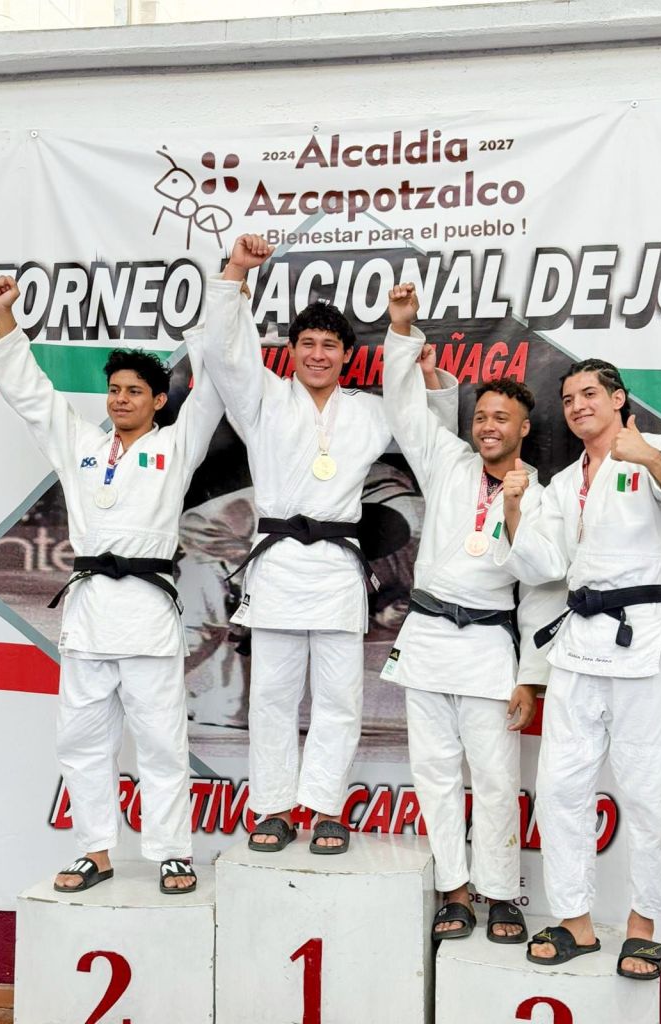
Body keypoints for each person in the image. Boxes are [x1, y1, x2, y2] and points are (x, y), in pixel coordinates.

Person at [194, 234, 457, 854]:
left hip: (338, 569)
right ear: (290, 351)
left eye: (330, 345)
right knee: (273, 697)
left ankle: (324, 807)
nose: (318, 354)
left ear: (346, 356)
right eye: (307, 344)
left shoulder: (369, 411)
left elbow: (426, 425)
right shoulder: (261, 400)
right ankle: (273, 807)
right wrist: (235, 271)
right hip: (279, 565)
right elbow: (226, 352)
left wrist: (401, 331)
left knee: (340, 697)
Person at [0, 276, 224, 894]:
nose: (120, 399)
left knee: (162, 742)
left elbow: (214, 394)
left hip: (147, 615)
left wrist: (211, 322)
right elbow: (32, 395)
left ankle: (172, 852)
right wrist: (3, 315)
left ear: (159, 400)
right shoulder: (82, 445)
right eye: (114, 390)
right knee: (82, 740)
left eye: (134, 391)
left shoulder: (177, 446)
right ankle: (95, 851)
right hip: (89, 614)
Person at [499, 358, 661, 978]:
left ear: (619, 398)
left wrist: (652, 461)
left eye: (589, 393)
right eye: (568, 399)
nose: (578, 406)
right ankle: (576, 922)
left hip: (642, 638)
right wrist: (514, 510)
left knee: (649, 791)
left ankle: (644, 926)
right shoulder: (566, 481)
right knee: (560, 788)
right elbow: (542, 564)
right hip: (578, 643)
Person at [382, 282, 562, 944]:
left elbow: (543, 587)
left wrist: (531, 677)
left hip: (489, 646)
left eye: (501, 419)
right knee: (434, 776)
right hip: (429, 636)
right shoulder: (447, 462)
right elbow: (404, 409)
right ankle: (454, 891)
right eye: (481, 415)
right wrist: (402, 332)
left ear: (523, 429)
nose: (488, 426)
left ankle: (501, 893)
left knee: (494, 779)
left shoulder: (540, 495)